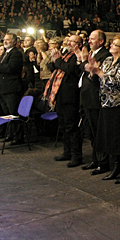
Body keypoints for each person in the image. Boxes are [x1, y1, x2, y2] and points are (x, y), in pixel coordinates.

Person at [87, 36, 120, 184]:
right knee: (110, 138)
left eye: (116, 45)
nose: (112, 46)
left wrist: (98, 72)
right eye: (112, 44)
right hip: (107, 103)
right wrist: (92, 71)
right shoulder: (108, 60)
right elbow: (98, 81)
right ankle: (116, 167)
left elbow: (115, 82)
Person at [76, 30, 111, 174]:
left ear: (101, 41)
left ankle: (103, 163)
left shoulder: (104, 55)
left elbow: (91, 71)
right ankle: (95, 159)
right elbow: (83, 69)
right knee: (90, 132)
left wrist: (83, 61)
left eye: (92, 39)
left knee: (98, 132)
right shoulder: (92, 54)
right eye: (89, 38)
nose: (89, 41)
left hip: (95, 99)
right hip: (86, 97)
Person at [46, 34, 83, 167]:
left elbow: (71, 69)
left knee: (71, 127)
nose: (68, 43)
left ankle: (76, 155)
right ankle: (67, 151)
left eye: (72, 41)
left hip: (70, 96)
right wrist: (54, 60)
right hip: (60, 95)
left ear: (78, 44)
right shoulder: (65, 55)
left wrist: (58, 61)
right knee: (63, 125)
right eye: (68, 41)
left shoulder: (77, 56)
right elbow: (53, 68)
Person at [0, 33, 23, 142]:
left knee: (13, 113)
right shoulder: (5, 53)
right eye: (4, 40)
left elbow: (10, 68)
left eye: (8, 40)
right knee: (7, 114)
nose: (5, 41)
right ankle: (10, 134)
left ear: (14, 42)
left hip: (11, 88)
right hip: (2, 88)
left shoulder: (16, 53)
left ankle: (18, 136)